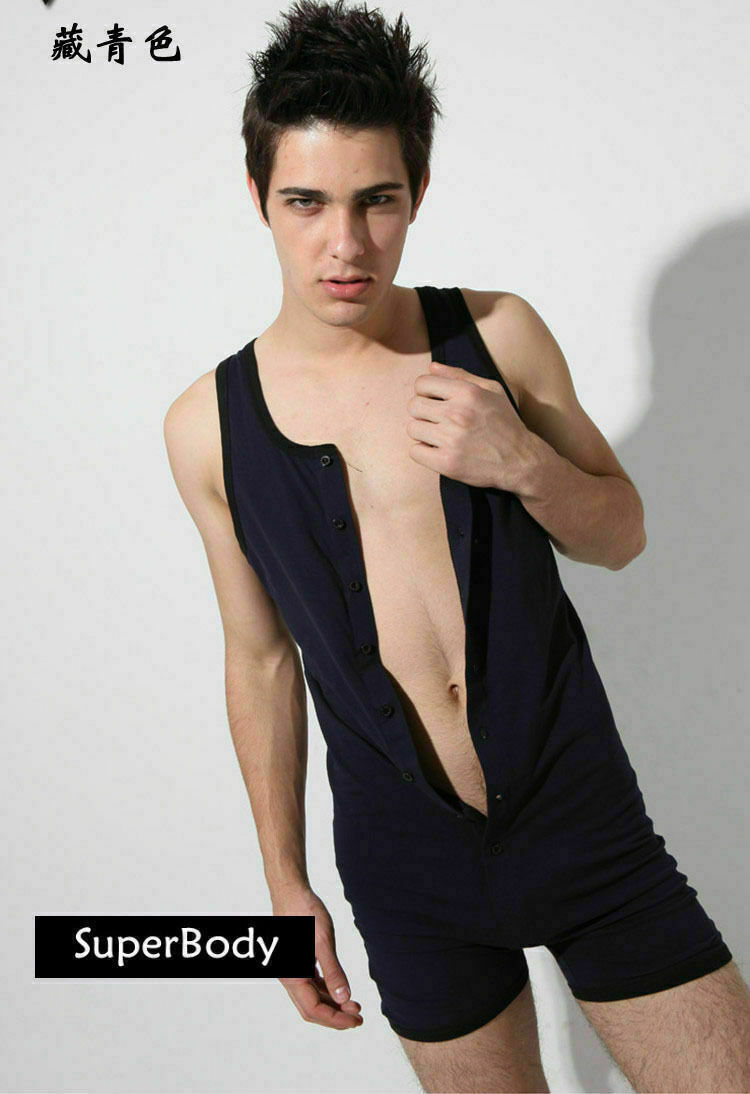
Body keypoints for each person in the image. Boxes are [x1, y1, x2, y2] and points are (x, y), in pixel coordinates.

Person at [163, 1, 750, 1090]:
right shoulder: (207, 427)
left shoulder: (497, 334)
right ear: (259, 198)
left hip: (585, 828)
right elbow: (260, 656)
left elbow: (621, 534)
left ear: (417, 192)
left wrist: (521, 461)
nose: (346, 244)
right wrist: (284, 883)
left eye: (377, 200)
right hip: (407, 873)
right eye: (307, 203)